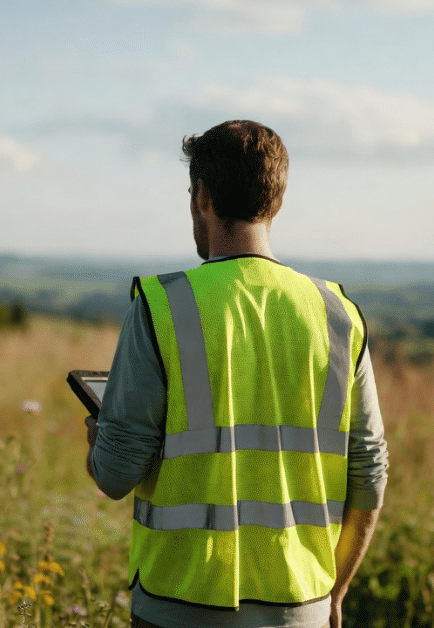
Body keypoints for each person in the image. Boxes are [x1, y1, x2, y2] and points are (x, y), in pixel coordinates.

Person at [85, 120, 388, 628]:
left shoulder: (162, 305)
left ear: (202, 195)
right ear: (278, 201)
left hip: (177, 603)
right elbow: (370, 470)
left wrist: (98, 443)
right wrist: (335, 593)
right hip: (303, 606)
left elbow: (115, 475)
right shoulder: (338, 314)